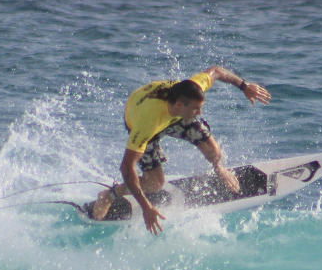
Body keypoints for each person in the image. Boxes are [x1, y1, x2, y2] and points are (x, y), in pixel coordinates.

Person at [90, 66, 271, 233]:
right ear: (179, 106)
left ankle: (219, 169)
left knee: (215, 153)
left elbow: (217, 71)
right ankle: (109, 195)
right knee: (155, 184)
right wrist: (146, 208)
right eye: (196, 109)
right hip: (142, 119)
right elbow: (126, 168)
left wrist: (244, 85)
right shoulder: (147, 123)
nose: (199, 113)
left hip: (173, 116)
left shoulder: (192, 89)